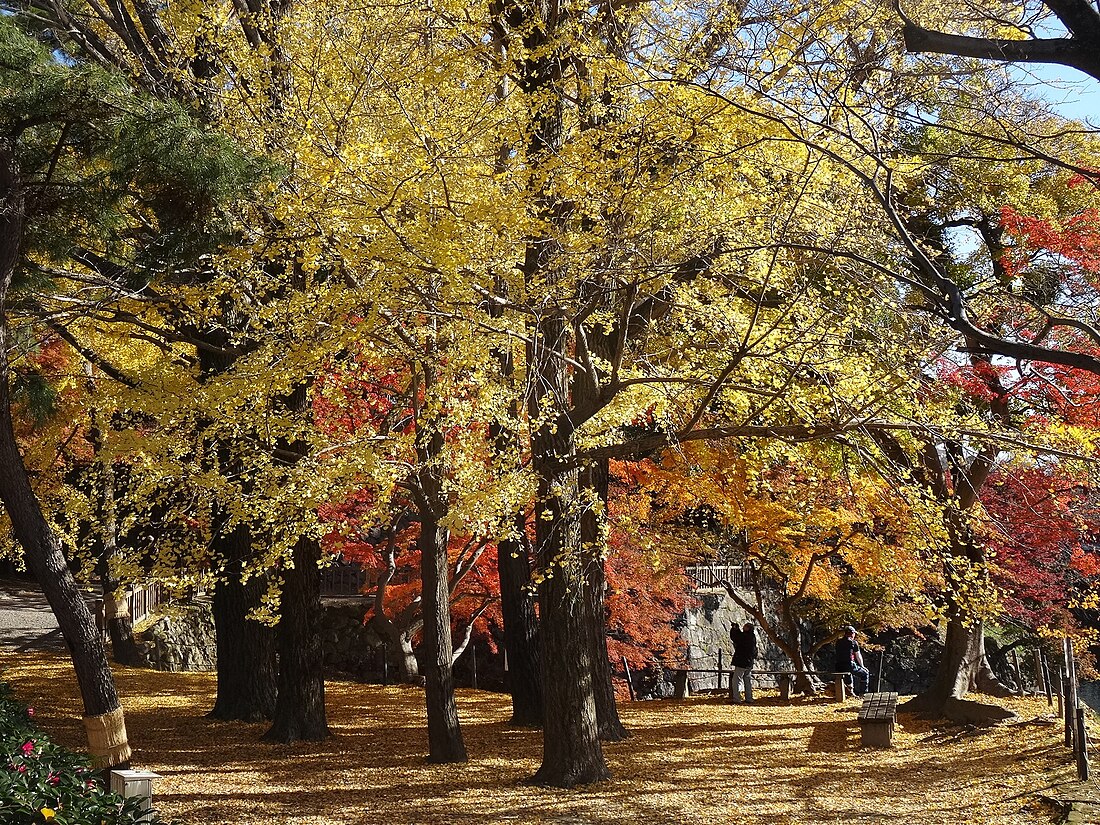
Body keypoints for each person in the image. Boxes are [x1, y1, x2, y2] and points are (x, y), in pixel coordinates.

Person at [834, 625, 871, 697]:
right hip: (849, 665)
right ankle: (863, 694)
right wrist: (862, 666)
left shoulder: (838, 642)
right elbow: (858, 655)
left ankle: (850, 692)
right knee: (865, 674)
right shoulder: (853, 642)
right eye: (854, 633)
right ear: (852, 633)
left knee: (848, 673)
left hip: (838, 666)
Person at [729, 622, 757, 704]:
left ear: (747, 628)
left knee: (736, 680)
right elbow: (739, 636)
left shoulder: (745, 636)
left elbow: (736, 638)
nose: (743, 627)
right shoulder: (752, 637)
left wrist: (734, 629)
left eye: (744, 626)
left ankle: (736, 699)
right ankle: (749, 698)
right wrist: (737, 629)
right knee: (747, 680)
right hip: (749, 662)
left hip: (742, 661)